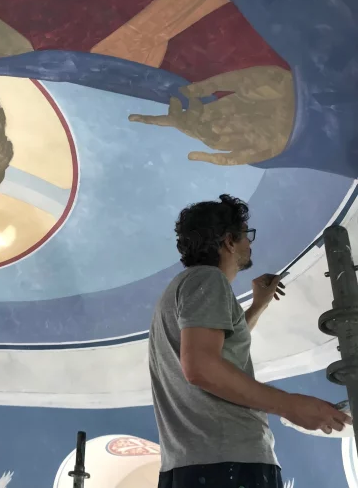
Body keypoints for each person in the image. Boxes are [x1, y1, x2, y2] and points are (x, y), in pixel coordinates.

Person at [149, 194, 353, 488]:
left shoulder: (180, 290)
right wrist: (290, 405)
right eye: (246, 235)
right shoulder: (208, 280)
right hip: (228, 463)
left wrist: (258, 306)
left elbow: (219, 348)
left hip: (193, 465)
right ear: (229, 242)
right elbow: (201, 367)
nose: (250, 243)